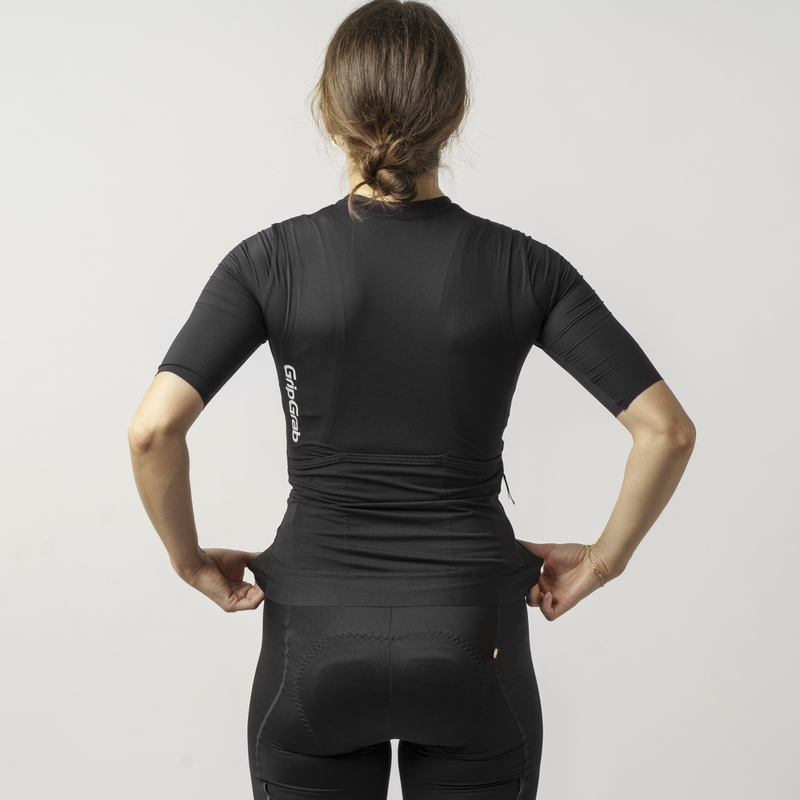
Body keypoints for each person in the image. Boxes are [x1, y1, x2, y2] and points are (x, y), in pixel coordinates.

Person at [127, 1, 696, 798]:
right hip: (473, 638)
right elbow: (666, 431)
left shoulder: (269, 261)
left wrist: (189, 562)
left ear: (330, 114)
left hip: (311, 642)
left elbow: (153, 431)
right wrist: (602, 562)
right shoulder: (523, 266)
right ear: (453, 115)